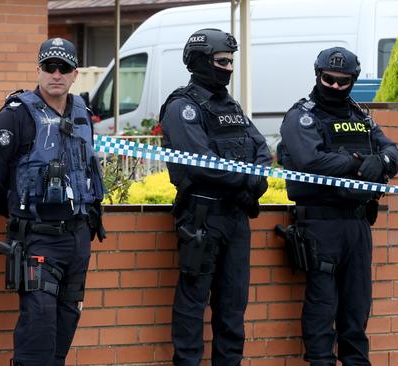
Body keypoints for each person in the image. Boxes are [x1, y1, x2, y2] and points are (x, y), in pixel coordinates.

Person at [0, 37, 106, 366]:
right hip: (38, 236)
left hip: (77, 238)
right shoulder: (17, 114)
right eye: (49, 66)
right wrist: (15, 211)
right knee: (38, 329)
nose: (56, 74)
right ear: (39, 70)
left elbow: (89, 169)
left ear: (74, 73)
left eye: (63, 68)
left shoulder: (83, 113)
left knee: (65, 327)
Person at [277, 47, 398, 365]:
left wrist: (381, 161)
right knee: (322, 307)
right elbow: (310, 160)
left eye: (341, 81)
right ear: (318, 75)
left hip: (358, 224)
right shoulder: (302, 115)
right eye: (327, 79)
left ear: (352, 81)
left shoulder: (360, 117)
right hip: (321, 225)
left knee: (356, 310)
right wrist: (361, 163)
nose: (333, 86)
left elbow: (392, 151)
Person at [159, 28, 273, 365]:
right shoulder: (184, 106)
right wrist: (246, 183)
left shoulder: (231, 106)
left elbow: (262, 151)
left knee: (233, 305)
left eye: (230, 61)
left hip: (236, 217)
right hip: (202, 217)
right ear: (200, 61)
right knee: (193, 304)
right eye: (222, 61)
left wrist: (254, 182)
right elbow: (203, 164)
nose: (228, 68)